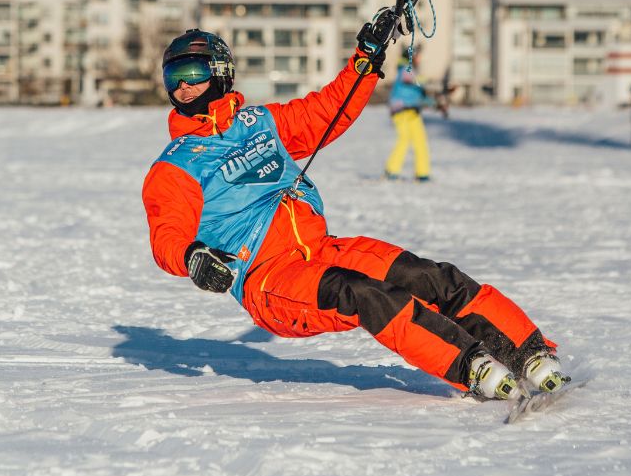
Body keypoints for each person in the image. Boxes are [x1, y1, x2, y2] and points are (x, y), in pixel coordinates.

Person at [141, 20, 568, 401]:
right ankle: (471, 365)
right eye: (174, 78)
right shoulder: (176, 163)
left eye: (192, 74)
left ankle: (529, 352)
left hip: (323, 249)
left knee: (430, 277)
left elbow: (327, 111)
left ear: (220, 72)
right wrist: (192, 258)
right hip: (270, 280)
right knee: (368, 296)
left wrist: (365, 60)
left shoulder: (261, 122)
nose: (183, 88)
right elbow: (167, 235)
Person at [384, 46, 433, 182]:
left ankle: (423, 173)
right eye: (417, 56)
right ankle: (391, 171)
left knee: (420, 142)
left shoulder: (411, 72)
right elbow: (414, 80)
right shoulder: (405, 69)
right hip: (402, 111)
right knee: (404, 139)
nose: (419, 59)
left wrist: (435, 102)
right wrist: (432, 83)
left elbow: (419, 95)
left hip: (413, 112)